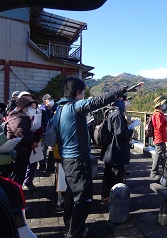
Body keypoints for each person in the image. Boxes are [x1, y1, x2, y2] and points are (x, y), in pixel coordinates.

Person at [55, 77, 132, 238]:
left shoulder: (59, 109)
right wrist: (119, 91)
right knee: (83, 198)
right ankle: (75, 232)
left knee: (70, 196)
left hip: (66, 159)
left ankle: (69, 226)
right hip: (77, 160)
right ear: (78, 93)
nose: (83, 96)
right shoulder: (74, 107)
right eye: (83, 92)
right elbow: (97, 101)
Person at [100, 98, 134, 205]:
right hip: (116, 151)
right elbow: (120, 133)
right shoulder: (118, 115)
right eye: (124, 101)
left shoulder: (109, 113)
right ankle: (116, 200)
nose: (126, 103)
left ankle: (105, 197)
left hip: (109, 151)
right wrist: (130, 131)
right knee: (116, 176)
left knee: (108, 174)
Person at [6, 96, 43, 186]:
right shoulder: (16, 118)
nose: (34, 110)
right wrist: (34, 140)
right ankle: (15, 196)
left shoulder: (24, 117)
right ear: (24, 107)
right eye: (32, 108)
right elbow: (23, 135)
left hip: (23, 151)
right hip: (17, 152)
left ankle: (18, 194)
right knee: (16, 175)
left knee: (21, 174)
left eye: (35, 108)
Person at [150, 96, 167, 178]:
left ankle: (163, 170)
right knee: (158, 156)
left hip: (160, 137)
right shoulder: (158, 114)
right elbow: (160, 127)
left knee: (162, 155)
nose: (164, 105)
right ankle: (154, 172)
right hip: (159, 137)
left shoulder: (157, 113)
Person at [38, 93, 57, 172]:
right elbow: (39, 122)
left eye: (52, 99)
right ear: (44, 101)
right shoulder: (41, 111)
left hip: (52, 133)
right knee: (42, 150)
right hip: (43, 133)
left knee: (52, 149)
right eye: (49, 99)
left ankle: (50, 166)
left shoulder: (55, 109)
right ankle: (42, 166)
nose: (51, 101)